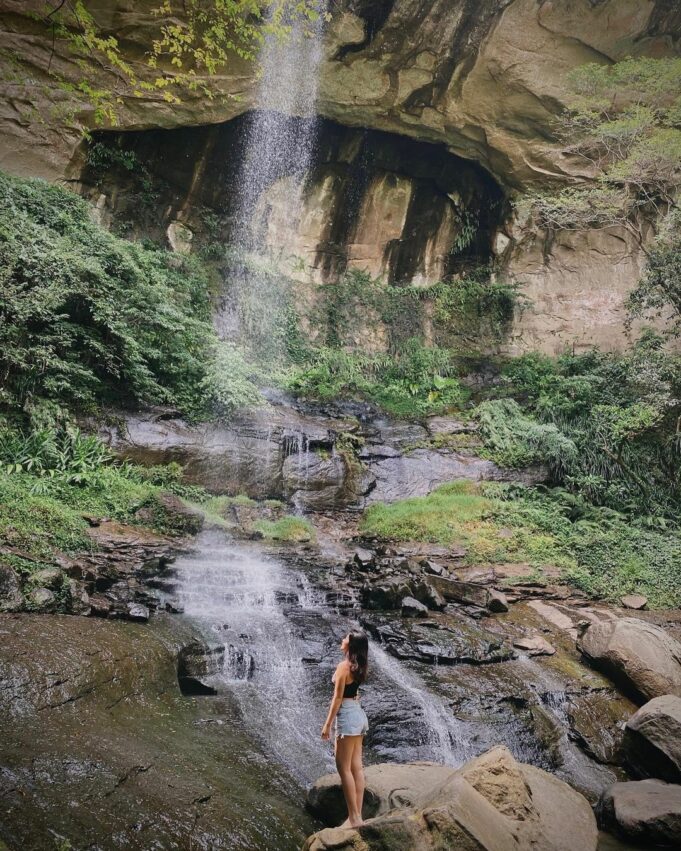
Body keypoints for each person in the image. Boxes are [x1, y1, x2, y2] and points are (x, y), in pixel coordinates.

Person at [321, 631, 370, 828]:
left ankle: (354, 818)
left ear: (351, 645)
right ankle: (357, 817)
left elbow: (337, 699)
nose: (342, 640)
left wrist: (327, 725)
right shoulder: (358, 667)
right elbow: (354, 693)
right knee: (356, 767)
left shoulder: (343, 667)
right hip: (358, 714)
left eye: (346, 638)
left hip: (348, 717)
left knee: (343, 768)